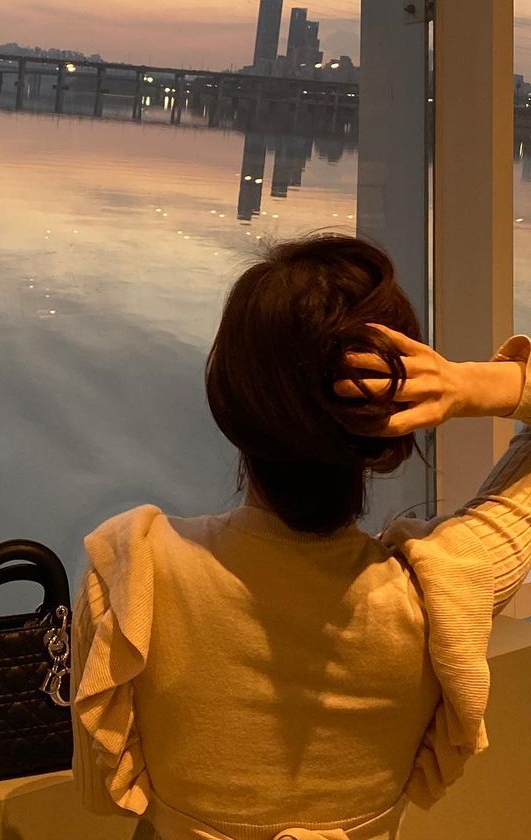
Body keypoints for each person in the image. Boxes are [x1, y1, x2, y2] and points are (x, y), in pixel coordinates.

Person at [70, 233, 531, 840]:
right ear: (391, 418)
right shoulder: (442, 590)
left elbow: (98, 793)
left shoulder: (133, 573)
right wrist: (472, 385)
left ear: (230, 401)